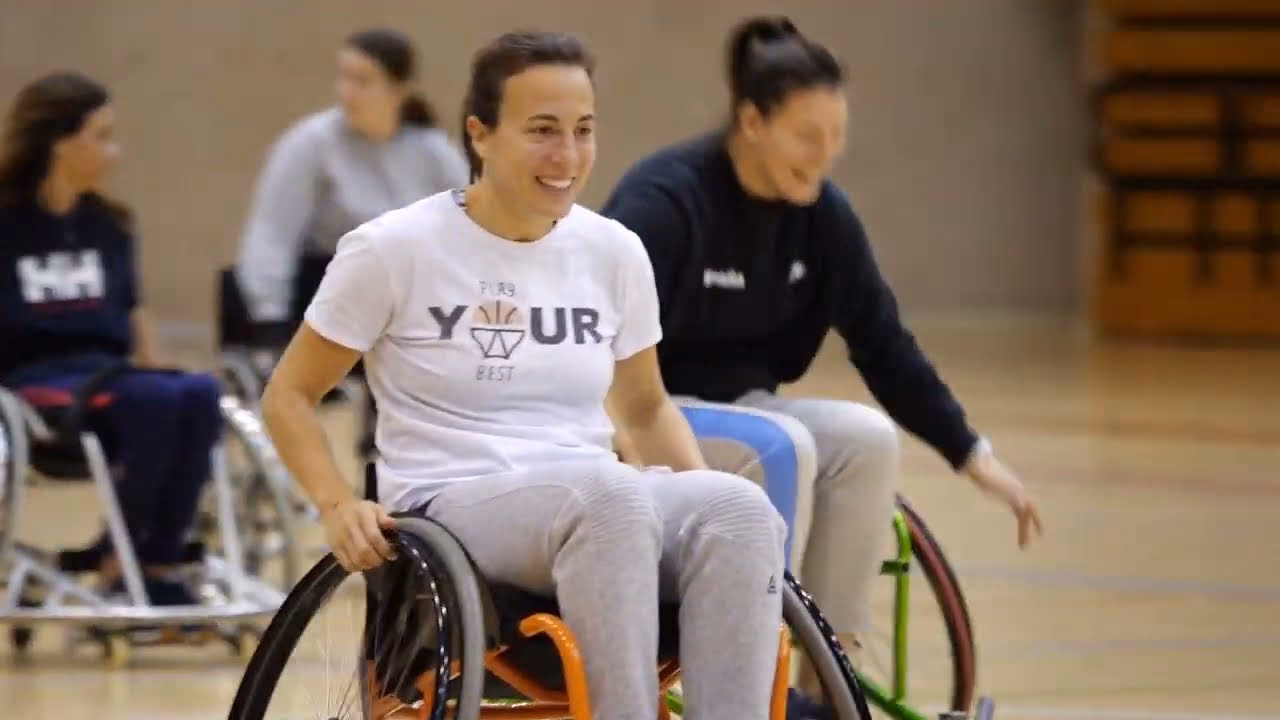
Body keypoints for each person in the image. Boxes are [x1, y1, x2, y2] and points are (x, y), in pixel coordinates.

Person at [259, 30, 788, 720]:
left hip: (594, 502)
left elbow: (647, 408)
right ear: (480, 134)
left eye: (583, 131)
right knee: (610, 495)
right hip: (451, 502)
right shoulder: (393, 249)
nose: (567, 156)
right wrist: (335, 506)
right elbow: (289, 396)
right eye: (542, 131)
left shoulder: (613, 251)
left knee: (739, 510)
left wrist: (698, 505)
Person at [600, 15, 1044, 718]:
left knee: (865, 439)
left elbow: (883, 343)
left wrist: (973, 453)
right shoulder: (667, 202)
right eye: (809, 136)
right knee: (785, 444)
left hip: (736, 407)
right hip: (633, 411)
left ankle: (828, 681)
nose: (826, 154)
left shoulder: (823, 217)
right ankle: (754, 668)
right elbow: (594, 342)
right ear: (752, 121)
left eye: (837, 137)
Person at [0, 71, 222, 606]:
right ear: (58, 141)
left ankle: (156, 558)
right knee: (153, 398)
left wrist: (165, 372)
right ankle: (119, 560)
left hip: (108, 378)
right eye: (102, 136)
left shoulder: (111, 226)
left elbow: (134, 314)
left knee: (197, 392)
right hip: (36, 383)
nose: (114, 152)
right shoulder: (7, 227)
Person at [234, 27, 469, 337]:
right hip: (332, 302)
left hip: (416, 305)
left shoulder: (434, 152)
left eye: (362, 80)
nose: (346, 91)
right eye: (343, 77)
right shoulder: (312, 143)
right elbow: (271, 235)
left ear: (400, 90)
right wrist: (269, 318)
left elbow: (471, 233)